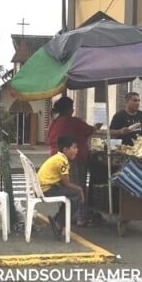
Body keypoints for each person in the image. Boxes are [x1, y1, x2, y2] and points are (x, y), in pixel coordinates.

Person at [46, 96, 101, 225]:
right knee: (78, 187)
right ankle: (80, 216)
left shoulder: (54, 123)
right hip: (73, 160)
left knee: (66, 187)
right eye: (72, 107)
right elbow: (89, 130)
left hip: (56, 159)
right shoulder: (73, 122)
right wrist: (96, 127)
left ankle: (68, 215)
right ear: (69, 109)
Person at [37, 135, 86, 238]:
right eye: (74, 148)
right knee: (76, 195)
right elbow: (67, 183)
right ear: (65, 149)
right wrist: (80, 189)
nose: (77, 151)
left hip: (43, 187)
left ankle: (58, 220)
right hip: (46, 189)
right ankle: (59, 223)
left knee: (71, 195)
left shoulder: (57, 157)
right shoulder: (62, 161)